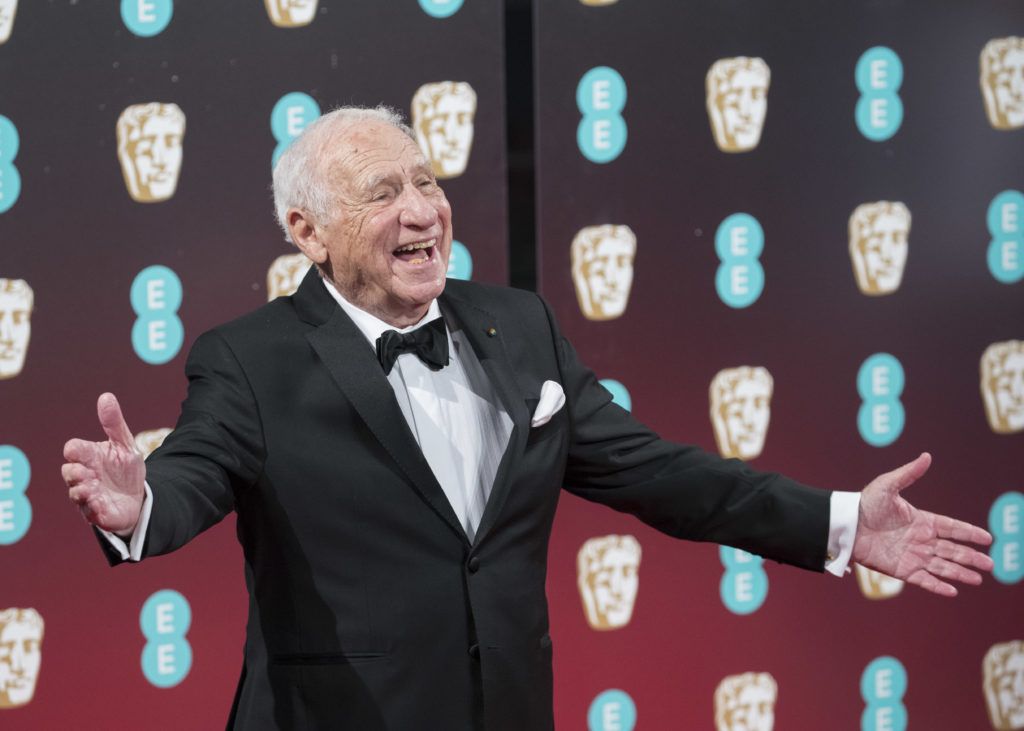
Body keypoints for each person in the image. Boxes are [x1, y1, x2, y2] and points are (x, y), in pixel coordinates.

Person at [62, 106, 994, 730]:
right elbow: (193, 475)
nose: (423, 209)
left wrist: (837, 520)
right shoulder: (251, 357)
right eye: (382, 195)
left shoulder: (520, 326)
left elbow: (659, 472)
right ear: (307, 232)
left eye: (425, 181)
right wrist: (137, 506)